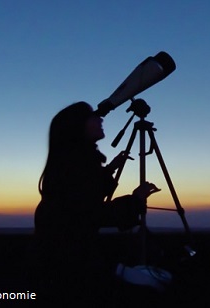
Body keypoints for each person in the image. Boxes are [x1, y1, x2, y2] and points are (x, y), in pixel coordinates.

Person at [33, 101, 160, 303]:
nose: (100, 119)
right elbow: (92, 213)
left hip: (64, 255)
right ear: (77, 127)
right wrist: (136, 199)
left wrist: (110, 168)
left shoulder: (73, 162)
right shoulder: (75, 166)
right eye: (92, 116)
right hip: (69, 261)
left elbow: (88, 192)